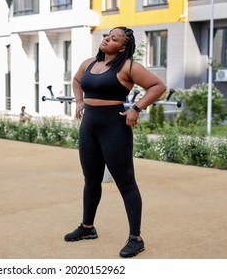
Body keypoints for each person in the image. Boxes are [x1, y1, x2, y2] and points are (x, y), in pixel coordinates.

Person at [64, 26, 166, 258]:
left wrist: (137, 108)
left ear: (122, 46)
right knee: (91, 179)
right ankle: (87, 227)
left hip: (115, 128)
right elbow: (77, 80)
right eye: (107, 36)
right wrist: (79, 101)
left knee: (126, 182)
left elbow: (158, 86)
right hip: (89, 127)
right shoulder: (89, 63)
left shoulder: (129, 67)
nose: (107, 39)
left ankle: (136, 239)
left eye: (114, 38)